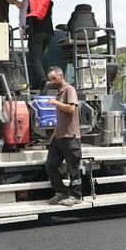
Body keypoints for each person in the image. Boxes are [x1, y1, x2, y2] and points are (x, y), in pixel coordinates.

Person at [41, 67, 83, 206]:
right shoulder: (58, 92)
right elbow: (61, 118)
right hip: (58, 137)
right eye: (50, 79)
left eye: (54, 78)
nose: (52, 81)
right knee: (50, 166)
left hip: (71, 137)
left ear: (61, 75)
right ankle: (62, 192)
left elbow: (71, 108)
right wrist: (54, 134)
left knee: (73, 168)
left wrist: (55, 103)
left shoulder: (69, 90)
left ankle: (76, 196)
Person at [25, 0, 54, 91]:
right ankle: (36, 83)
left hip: (36, 32)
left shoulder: (31, 1)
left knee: (35, 58)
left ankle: (43, 81)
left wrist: (26, 29)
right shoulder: (49, 2)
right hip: (49, 32)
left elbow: (28, 15)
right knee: (36, 58)